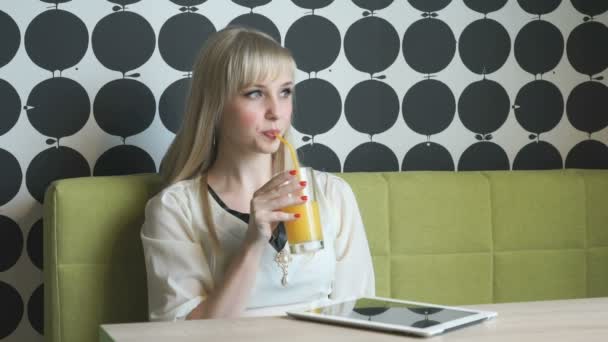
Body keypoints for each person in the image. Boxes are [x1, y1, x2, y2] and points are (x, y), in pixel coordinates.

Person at [140, 26, 375, 321]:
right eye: (255, 93)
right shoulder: (175, 209)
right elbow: (185, 335)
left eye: (285, 92)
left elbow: (358, 312)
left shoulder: (331, 194)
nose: (276, 111)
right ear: (215, 105)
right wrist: (252, 243)